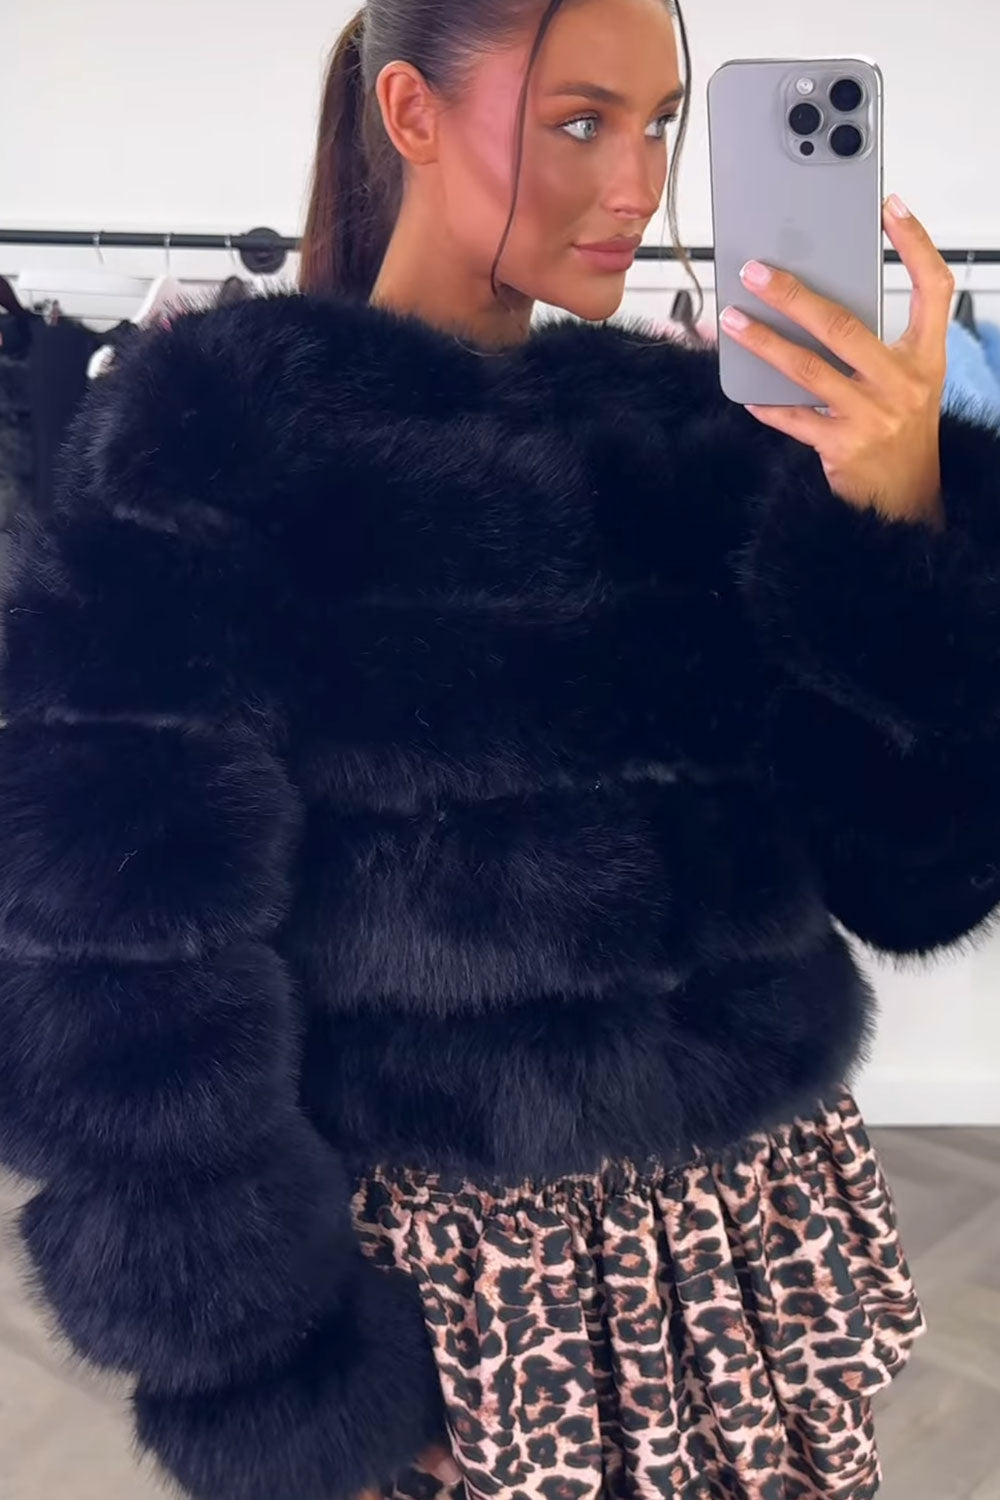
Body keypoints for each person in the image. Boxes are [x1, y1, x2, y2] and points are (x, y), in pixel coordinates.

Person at [1, 1, 999, 1497]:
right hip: (454, 1291)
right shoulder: (218, 445)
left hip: (751, 1249)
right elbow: (113, 961)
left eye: (661, 125)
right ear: (411, 113)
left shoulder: (705, 447)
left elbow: (907, 884)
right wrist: (271, 1367)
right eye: (579, 121)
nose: (636, 184)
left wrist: (897, 528)